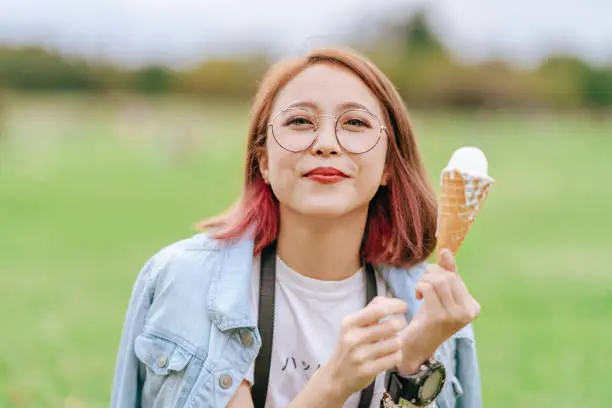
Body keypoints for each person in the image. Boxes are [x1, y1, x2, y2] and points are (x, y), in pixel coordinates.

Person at [111, 47, 482, 408]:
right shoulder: (188, 282)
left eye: (355, 123)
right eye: (300, 121)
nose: (325, 144)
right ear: (264, 162)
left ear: (388, 164)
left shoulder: (431, 314)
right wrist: (334, 384)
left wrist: (412, 368)